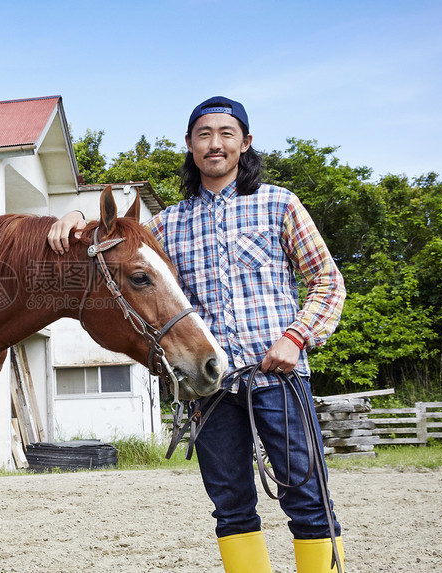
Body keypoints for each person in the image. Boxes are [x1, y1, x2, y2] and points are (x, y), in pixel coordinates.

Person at [47, 96, 346, 573]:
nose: (215, 143)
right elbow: (116, 247)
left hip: (279, 380)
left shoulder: (279, 204)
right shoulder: (167, 225)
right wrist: (72, 220)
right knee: (231, 511)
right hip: (211, 389)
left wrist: (296, 337)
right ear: (189, 146)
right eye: (204, 134)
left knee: (308, 502)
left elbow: (328, 282)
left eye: (227, 133)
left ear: (245, 143)